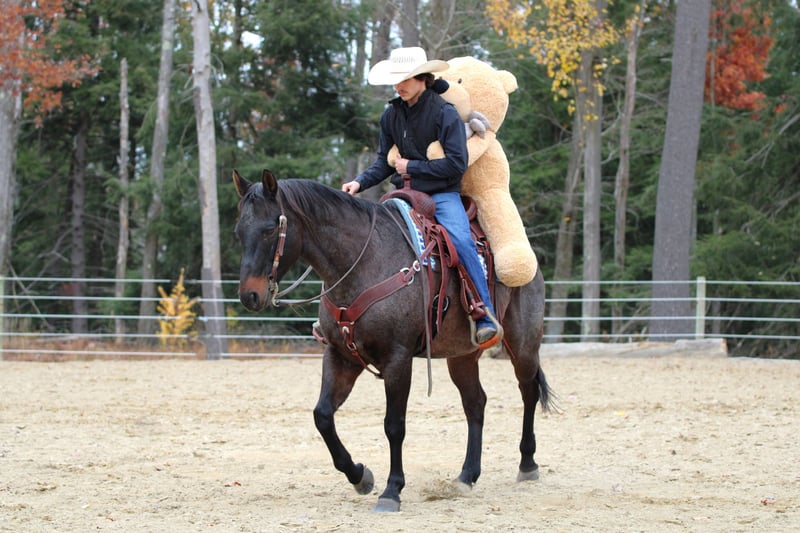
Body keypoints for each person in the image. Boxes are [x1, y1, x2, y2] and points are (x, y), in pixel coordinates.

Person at [341, 47, 501, 346]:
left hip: (442, 194)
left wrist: (411, 167)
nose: (398, 85)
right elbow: (383, 163)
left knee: (461, 240)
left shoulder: (445, 113)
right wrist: (358, 183)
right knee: (368, 238)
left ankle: (483, 314)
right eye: (395, 79)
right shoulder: (390, 115)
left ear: (422, 78)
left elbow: (456, 164)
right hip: (403, 194)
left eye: (405, 79)